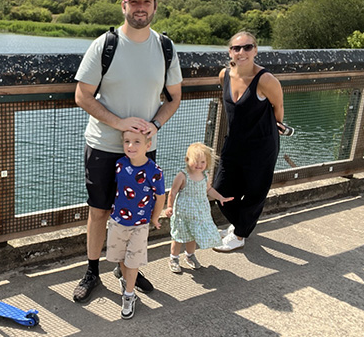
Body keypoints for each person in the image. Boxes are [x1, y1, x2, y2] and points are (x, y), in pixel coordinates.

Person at [73, 0, 183, 303]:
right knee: (99, 212)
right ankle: (92, 270)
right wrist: (119, 123)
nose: (140, 8)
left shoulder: (165, 48)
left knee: (138, 212)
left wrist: (155, 124)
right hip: (104, 146)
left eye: (146, 2)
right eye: (134, 2)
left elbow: (174, 98)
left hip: (143, 152)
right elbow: (82, 95)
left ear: (154, 7)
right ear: (124, 6)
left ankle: (127, 267)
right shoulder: (105, 45)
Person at [212, 31, 285, 252]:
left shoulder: (265, 79)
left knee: (254, 192)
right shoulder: (224, 75)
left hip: (262, 145)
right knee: (219, 189)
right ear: (230, 51)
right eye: (236, 48)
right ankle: (239, 225)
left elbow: (278, 108)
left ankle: (241, 233)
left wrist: (277, 125)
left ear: (255, 50)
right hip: (234, 142)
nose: (241, 52)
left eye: (247, 47)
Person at [106, 130, 165, 319]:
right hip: (118, 221)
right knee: (121, 257)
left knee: (133, 261)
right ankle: (126, 283)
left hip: (140, 224)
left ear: (148, 145)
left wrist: (155, 218)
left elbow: (160, 197)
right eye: (127, 141)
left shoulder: (154, 171)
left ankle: (129, 295)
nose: (131, 146)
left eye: (137, 142)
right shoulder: (120, 165)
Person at [165, 143, 233, 272]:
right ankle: (173, 258)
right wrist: (169, 207)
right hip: (182, 214)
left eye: (203, 162)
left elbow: (209, 189)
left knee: (192, 237)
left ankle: (190, 256)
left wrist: (220, 197)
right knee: (178, 236)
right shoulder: (182, 175)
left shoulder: (205, 175)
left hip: (199, 213)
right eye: (195, 161)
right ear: (187, 160)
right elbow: (173, 192)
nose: (199, 165)